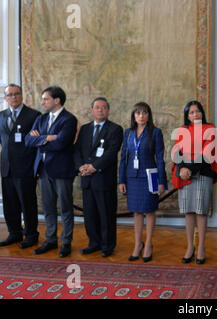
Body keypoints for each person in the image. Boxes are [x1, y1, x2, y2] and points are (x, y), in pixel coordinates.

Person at [25, 86, 78, 258]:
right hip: (43, 169)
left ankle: (66, 242)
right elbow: (28, 140)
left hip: (62, 170)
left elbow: (62, 143)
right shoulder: (41, 118)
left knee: (65, 208)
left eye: (46, 99)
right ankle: (50, 240)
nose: (42, 102)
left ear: (57, 100)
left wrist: (39, 139)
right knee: (48, 208)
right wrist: (48, 137)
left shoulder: (69, 119)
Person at [171, 100, 217, 264]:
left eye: (197, 111)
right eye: (191, 112)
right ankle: (190, 246)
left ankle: (201, 247)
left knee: (200, 211)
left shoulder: (209, 128)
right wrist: (182, 168)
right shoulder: (182, 130)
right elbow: (177, 152)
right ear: (187, 115)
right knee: (189, 211)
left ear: (202, 113)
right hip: (185, 175)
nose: (195, 114)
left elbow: (207, 154)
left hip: (202, 173)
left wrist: (189, 169)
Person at [74, 97, 123, 257]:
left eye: (103, 107)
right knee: (90, 214)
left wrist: (94, 167)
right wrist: (81, 166)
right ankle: (93, 242)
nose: (100, 110)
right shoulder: (85, 129)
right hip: (87, 179)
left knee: (106, 214)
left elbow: (111, 153)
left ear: (108, 110)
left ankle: (107, 245)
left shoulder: (115, 129)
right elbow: (77, 150)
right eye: (97, 107)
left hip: (103, 179)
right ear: (92, 110)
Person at [118, 102, 167, 262]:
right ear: (134, 116)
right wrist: (121, 180)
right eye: (138, 113)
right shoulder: (128, 133)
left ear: (148, 115)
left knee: (149, 210)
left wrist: (161, 181)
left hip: (150, 176)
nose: (141, 116)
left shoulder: (155, 132)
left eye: (144, 112)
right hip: (132, 177)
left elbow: (160, 158)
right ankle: (138, 244)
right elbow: (123, 158)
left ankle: (148, 245)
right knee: (136, 211)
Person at [0, 84, 41, 248]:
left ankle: (31, 235)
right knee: (10, 204)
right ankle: (14, 233)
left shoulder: (34, 115)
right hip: (6, 168)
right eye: (10, 95)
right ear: (5, 98)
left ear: (22, 96)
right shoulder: (1, 116)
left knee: (28, 203)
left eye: (17, 94)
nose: (14, 97)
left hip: (25, 168)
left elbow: (37, 142)